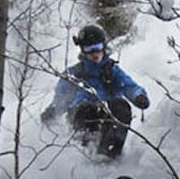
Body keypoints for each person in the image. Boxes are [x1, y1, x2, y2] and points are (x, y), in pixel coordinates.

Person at [42, 23, 150, 158]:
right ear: (83, 50)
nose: (94, 53)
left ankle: (109, 155)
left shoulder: (111, 71)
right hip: (81, 117)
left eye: (97, 48)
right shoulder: (75, 73)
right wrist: (53, 111)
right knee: (87, 108)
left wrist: (138, 96)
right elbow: (61, 97)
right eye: (89, 49)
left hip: (107, 118)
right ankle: (86, 153)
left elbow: (129, 86)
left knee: (120, 106)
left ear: (104, 47)